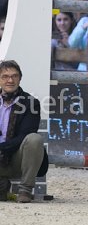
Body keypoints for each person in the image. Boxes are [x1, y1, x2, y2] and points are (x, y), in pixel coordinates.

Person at [0, 60, 48, 203]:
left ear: (20, 78)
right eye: (5, 76)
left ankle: (25, 190)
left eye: (14, 76)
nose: (10, 80)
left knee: (34, 139)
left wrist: (1, 148)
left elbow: (25, 135)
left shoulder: (30, 103)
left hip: (17, 160)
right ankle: (2, 185)